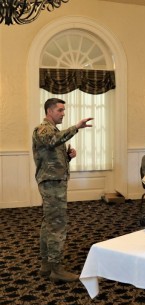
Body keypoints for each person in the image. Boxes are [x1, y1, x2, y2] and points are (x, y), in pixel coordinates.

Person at [32, 98, 93, 282]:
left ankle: (46, 266)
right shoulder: (43, 129)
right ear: (49, 111)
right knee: (57, 225)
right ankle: (56, 269)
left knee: (48, 223)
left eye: (63, 110)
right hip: (52, 184)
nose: (63, 113)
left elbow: (51, 155)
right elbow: (52, 141)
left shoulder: (52, 130)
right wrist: (76, 127)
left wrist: (68, 157)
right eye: (60, 110)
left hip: (54, 182)